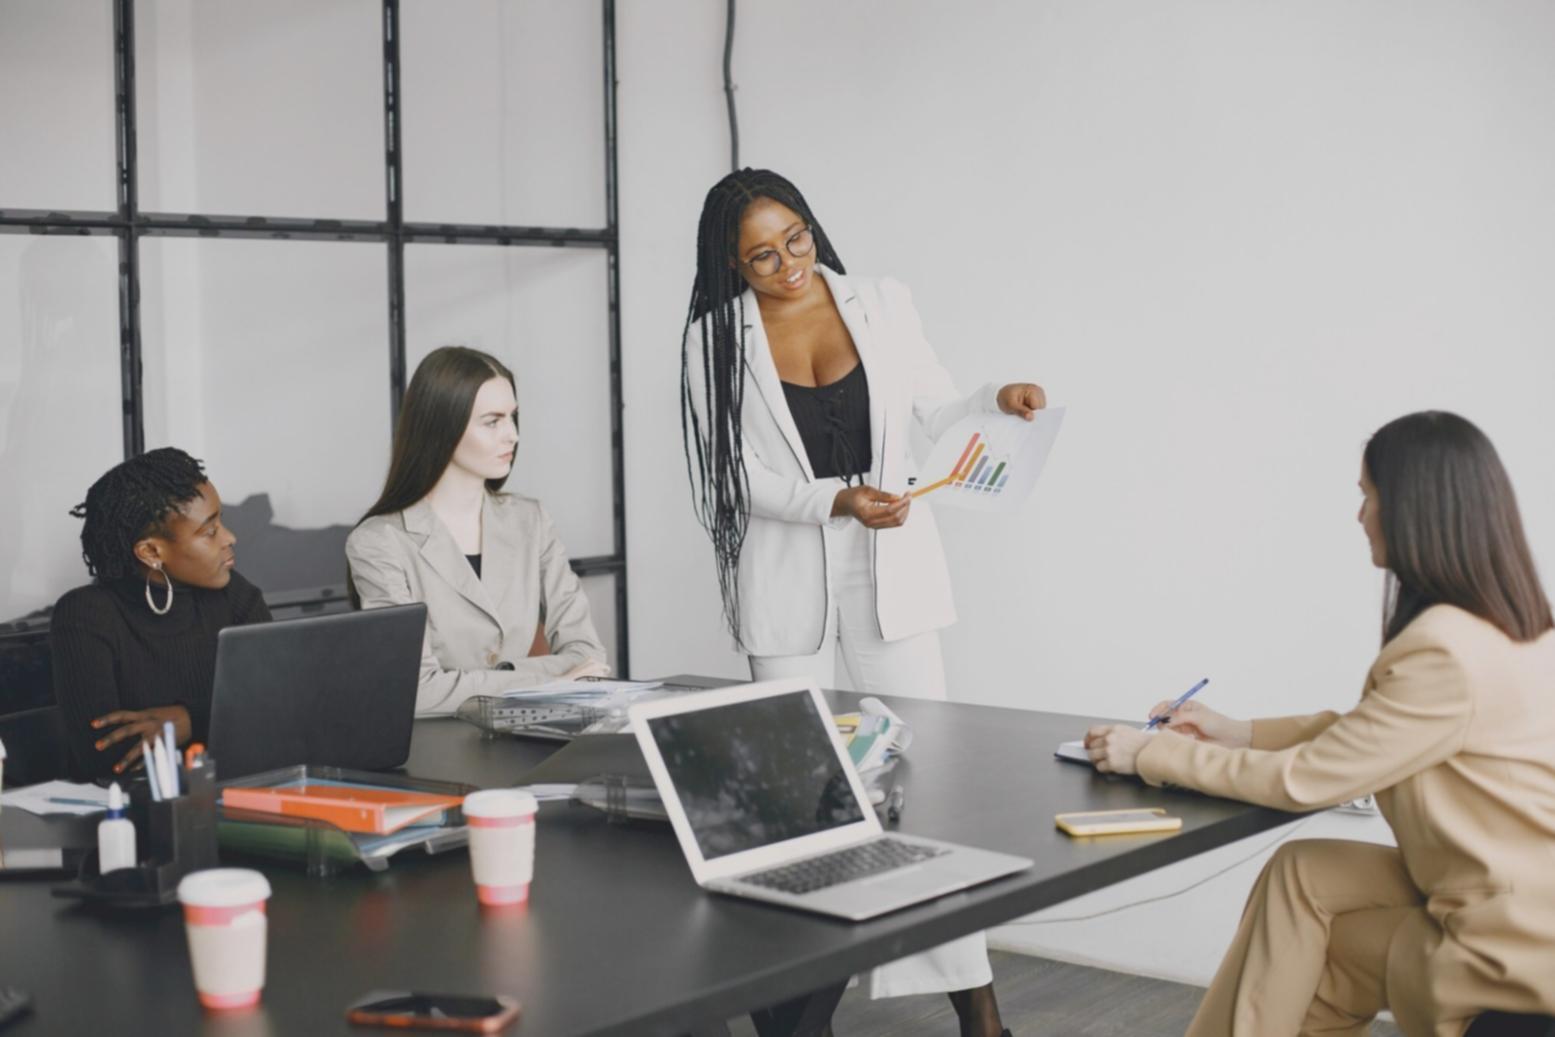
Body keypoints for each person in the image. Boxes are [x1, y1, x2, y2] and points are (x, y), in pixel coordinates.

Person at [680, 168, 1043, 1036]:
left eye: (796, 239)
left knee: (926, 788)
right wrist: (833, 501)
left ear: (811, 226)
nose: (788, 264)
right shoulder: (711, 343)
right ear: (732, 264)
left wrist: (991, 398)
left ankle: (978, 1013)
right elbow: (735, 479)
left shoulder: (880, 301)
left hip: (893, 557)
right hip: (785, 569)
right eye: (761, 257)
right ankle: (793, 1017)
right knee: (793, 801)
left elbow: (931, 406)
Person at [1084, 411, 1555, 1037]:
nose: (1359, 515)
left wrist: (1148, 754)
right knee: (1305, 872)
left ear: (1411, 508)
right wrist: (1238, 731)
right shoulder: (1509, 627)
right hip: (1510, 894)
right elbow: (1371, 729)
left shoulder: (1444, 649)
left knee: (1325, 959)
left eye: (1367, 495)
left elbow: (1305, 781)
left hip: (1512, 938)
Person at [347, 346, 608, 717]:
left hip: (530, 737)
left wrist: (480, 682)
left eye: (513, 418)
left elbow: (589, 657)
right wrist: (549, 681)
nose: (513, 435)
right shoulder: (379, 542)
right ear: (443, 426)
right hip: (435, 754)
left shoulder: (530, 520)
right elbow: (416, 691)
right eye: (493, 421)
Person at [51, 448, 270, 781]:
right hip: (129, 817)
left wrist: (188, 720)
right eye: (209, 531)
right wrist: (224, 717)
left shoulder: (234, 596)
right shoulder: (85, 616)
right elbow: (110, 758)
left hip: (239, 796)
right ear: (151, 551)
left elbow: (277, 711)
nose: (229, 538)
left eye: (221, 521)